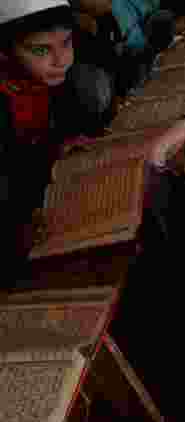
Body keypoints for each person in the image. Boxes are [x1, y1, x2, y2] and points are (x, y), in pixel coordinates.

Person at [0, 0, 115, 286]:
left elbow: (35, 144)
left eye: (66, 43)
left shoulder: (49, 81)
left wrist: (56, 147)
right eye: (41, 50)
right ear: (5, 51)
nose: (61, 60)